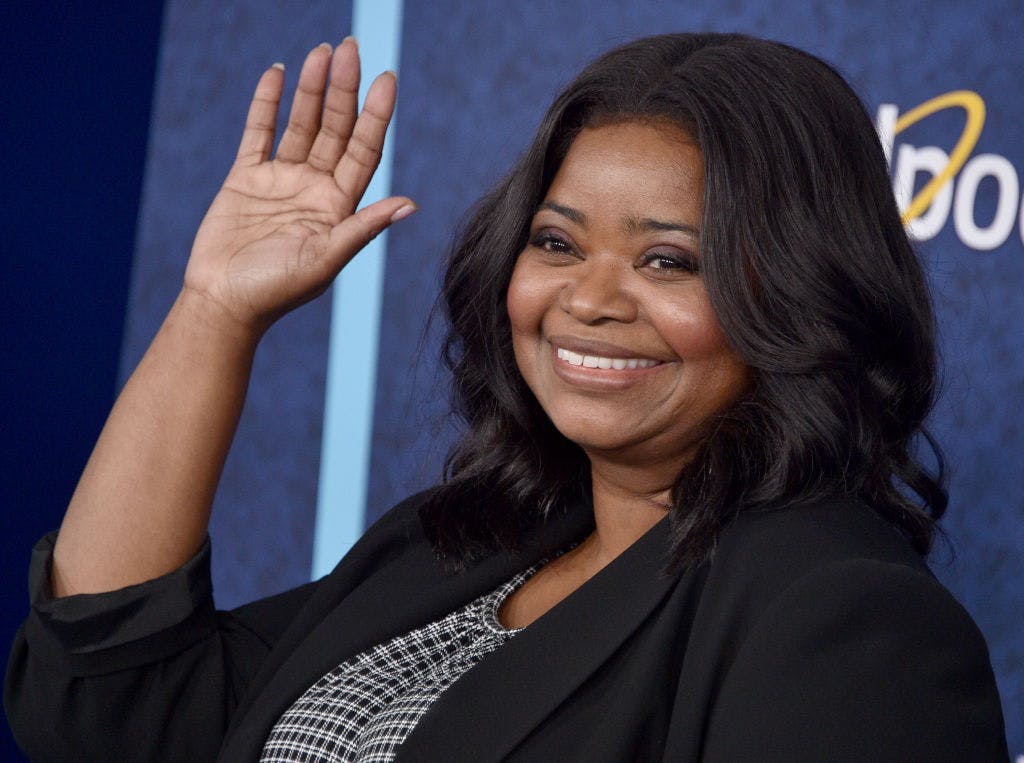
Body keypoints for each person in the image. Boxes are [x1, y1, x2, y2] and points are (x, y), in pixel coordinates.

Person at [4, 32, 1009, 762]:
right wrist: (215, 308)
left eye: (668, 260)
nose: (588, 299)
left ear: (801, 292)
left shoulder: (844, 621)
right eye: (556, 242)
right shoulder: (456, 545)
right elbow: (109, 702)